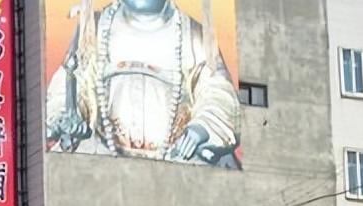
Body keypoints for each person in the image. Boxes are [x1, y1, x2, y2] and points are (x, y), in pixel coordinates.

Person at [46, 0, 241, 166]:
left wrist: (201, 128)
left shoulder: (193, 36)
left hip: (177, 159)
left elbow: (217, 91)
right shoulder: (94, 29)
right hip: (102, 155)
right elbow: (70, 84)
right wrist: (70, 117)